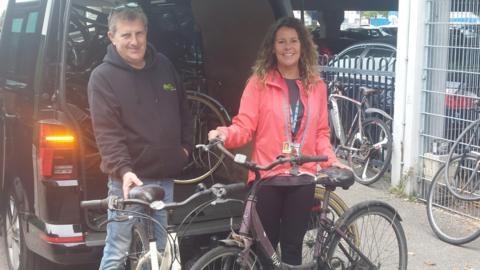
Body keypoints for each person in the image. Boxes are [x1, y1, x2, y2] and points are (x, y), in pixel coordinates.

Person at [208, 17, 348, 266]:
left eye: (293, 41)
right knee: (265, 250)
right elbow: (244, 125)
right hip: (268, 177)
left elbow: (321, 134)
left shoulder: (317, 86)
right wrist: (224, 134)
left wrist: (333, 161)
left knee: (292, 248)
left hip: (303, 177)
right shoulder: (259, 83)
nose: (288, 47)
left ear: (303, 45)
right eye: (281, 41)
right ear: (273, 47)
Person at [87, 3, 193, 269]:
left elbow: (185, 110)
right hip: (128, 183)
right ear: (112, 37)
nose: (134, 41)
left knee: (163, 251)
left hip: (164, 179)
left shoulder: (164, 66)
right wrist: (123, 171)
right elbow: (107, 134)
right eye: (126, 35)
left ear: (146, 32)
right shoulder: (102, 77)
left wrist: (185, 150)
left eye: (139, 33)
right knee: (117, 250)